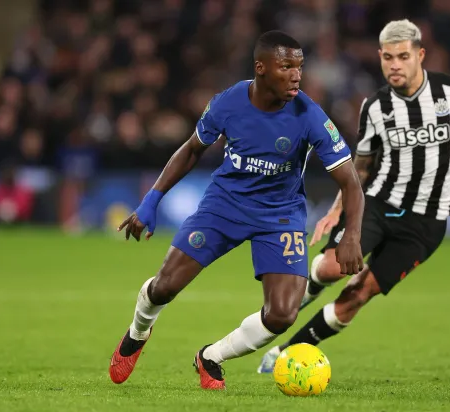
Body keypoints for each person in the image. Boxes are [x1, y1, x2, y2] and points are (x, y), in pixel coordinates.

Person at [109, 31, 365, 390]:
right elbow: (192, 149)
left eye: (300, 67)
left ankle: (211, 356)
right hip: (224, 206)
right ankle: (137, 333)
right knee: (164, 287)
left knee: (282, 315)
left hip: (280, 215)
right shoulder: (228, 103)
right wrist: (152, 200)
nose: (296, 75)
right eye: (286, 66)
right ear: (261, 68)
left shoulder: (309, 114)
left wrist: (350, 235)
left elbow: (350, 181)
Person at [257, 19, 450, 373]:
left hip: (426, 223)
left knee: (358, 295)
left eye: (403, 56)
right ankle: (291, 305)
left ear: (420, 55)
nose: (395, 65)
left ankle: (288, 351)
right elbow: (362, 167)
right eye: (388, 57)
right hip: (378, 204)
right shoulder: (375, 106)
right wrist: (336, 210)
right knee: (329, 268)